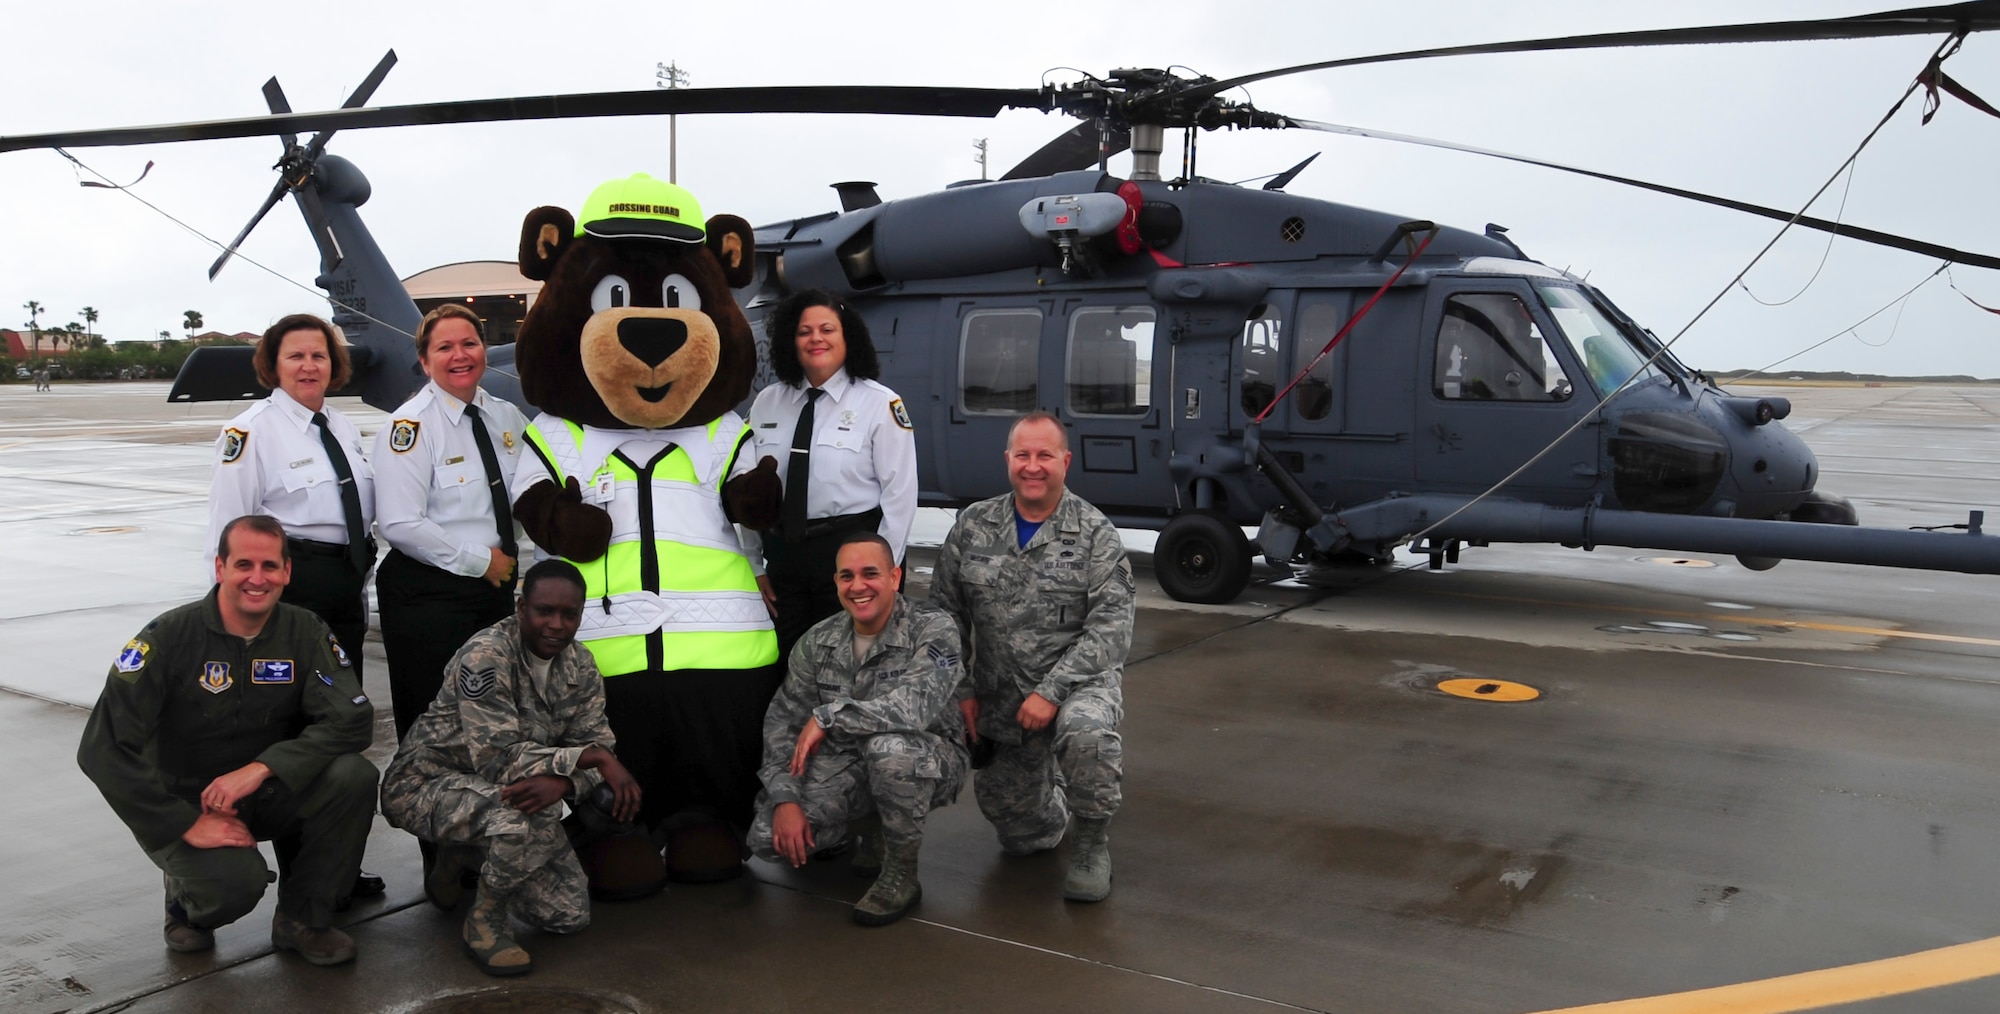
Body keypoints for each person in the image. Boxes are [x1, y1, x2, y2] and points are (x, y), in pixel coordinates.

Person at [77, 515, 377, 965]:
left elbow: (352, 721)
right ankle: (186, 907)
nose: (257, 579)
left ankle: (302, 919)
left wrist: (261, 769)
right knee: (235, 887)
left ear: (287, 572)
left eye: (270, 567)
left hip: (266, 790)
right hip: (187, 803)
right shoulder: (169, 639)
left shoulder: (305, 631)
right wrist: (185, 823)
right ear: (220, 568)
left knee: (352, 776)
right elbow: (101, 750)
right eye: (244, 565)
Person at [380, 559, 642, 977]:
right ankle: (485, 921)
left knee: (568, 914)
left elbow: (598, 747)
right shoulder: (486, 656)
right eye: (544, 611)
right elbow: (499, 757)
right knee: (521, 813)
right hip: (424, 784)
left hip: (506, 787)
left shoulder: (581, 665)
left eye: (569, 613)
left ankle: (462, 855)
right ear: (521, 608)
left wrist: (565, 780)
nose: (556, 624)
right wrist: (584, 761)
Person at [930, 412, 1135, 902]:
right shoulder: (974, 525)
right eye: (1023, 455)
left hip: (1077, 686)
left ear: (1065, 461)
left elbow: (1111, 628)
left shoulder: (1094, 534)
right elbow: (942, 618)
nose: (1033, 466)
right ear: (1008, 460)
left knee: (1087, 736)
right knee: (1022, 834)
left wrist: (1051, 692)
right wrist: (961, 693)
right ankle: (1057, 801)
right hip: (1002, 696)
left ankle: (1091, 843)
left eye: (1045, 455)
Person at [748, 533, 969, 926]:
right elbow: (784, 723)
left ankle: (901, 875)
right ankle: (869, 825)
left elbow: (916, 706)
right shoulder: (818, 641)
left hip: (927, 757)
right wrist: (785, 798)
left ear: (895, 576)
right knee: (768, 838)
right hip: (848, 759)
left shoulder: (932, 628)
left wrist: (831, 716)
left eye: (871, 573)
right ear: (836, 582)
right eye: (846, 576)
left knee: (889, 750)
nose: (858, 586)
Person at [373, 304, 528, 742]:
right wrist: (481, 562)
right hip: (430, 595)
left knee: (492, 713)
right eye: (445, 347)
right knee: (435, 720)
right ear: (424, 361)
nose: (460, 355)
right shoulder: (410, 428)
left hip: (494, 590)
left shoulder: (505, 417)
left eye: (469, 343)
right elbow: (401, 523)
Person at [744, 288, 918, 666]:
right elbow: (749, 489)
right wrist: (753, 565)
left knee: (851, 665)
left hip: (848, 555)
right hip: (784, 558)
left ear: (846, 337)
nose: (816, 339)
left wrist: (882, 571)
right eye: (804, 331)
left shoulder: (879, 404)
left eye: (827, 329)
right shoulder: (767, 403)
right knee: (785, 664)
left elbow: (900, 497)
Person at [207, 313, 377, 682]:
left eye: (319, 356)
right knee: (288, 707)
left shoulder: (342, 427)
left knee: (342, 705)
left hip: (347, 588)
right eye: (295, 356)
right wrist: (227, 616)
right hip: (289, 589)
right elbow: (226, 530)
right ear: (273, 365)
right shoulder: (250, 431)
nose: (309, 366)